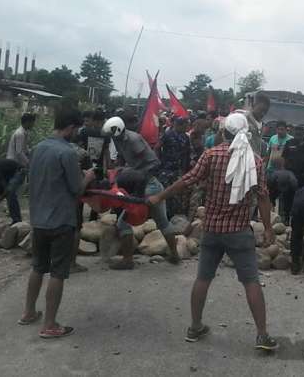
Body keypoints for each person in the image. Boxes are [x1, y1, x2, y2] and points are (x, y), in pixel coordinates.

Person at [146, 113, 279, 351]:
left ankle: (195, 327)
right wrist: (268, 228)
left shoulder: (211, 154)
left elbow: (187, 180)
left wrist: (159, 196)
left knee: (203, 279)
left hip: (212, 230)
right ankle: (262, 336)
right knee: (251, 282)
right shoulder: (255, 161)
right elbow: (263, 198)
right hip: (239, 231)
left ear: (223, 132)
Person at [19, 108, 96, 338]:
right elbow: (77, 188)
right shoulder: (67, 152)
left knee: (37, 267)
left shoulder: (38, 148)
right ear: (71, 128)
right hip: (61, 221)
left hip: (38, 220)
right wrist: (89, 176)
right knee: (57, 273)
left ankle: (29, 312)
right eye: (76, 129)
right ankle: (50, 325)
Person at [103, 116, 180, 263]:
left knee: (123, 223)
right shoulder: (119, 139)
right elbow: (124, 159)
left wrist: (132, 174)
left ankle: (127, 260)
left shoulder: (134, 139)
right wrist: (122, 169)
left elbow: (151, 163)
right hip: (149, 184)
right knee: (162, 222)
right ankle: (175, 255)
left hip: (147, 184)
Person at [5, 112, 36, 224]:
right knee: (12, 192)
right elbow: (19, 152)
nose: (33, 125)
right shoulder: (20, 134)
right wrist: (28, 164)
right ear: (27, 122)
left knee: (13, 192)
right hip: (15, 165)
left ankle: (14, 216)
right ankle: (16, 218)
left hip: (16, 164)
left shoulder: (23, 133)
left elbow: (24, 150)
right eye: (32, 122)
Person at [159, 116, 191, 217]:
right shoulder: (167, 135)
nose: (187, 128)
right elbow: (157, 147)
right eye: (185, 125)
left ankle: (174, 214)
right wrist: (159, 161)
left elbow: (187, 153)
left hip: (178, 170)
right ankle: (166, 215)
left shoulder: (185, 137)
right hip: (166, 169)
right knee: (166, 192)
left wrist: (185, 169)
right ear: (178, 125)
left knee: (177, 193)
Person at [267, 157, 298, 225]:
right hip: (288, 192)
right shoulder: (289, 173)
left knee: (275, 204)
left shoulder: (272, 173)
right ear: (283, 164)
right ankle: (286, 221)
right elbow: (294, 183)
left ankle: (275, 221)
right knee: (286, 206)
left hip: (275, 192)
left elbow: (269, 183)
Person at [244, 93, 270, 157]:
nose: (263, 114)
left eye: (265, 111)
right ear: (253, 105)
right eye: (260, 110)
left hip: (255, 162)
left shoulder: (262, 124)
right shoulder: (244, 120)